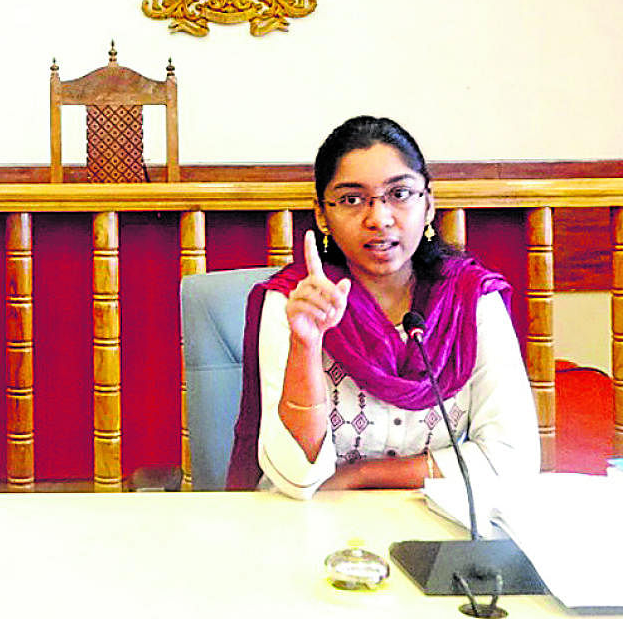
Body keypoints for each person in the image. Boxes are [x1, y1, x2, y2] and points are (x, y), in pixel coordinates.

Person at [227, 115, 539, 497]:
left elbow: (512, 457)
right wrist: (305, 347)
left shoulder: (470, 300)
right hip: (313, 523)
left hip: (441, 520)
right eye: (351, 199)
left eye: (400, 194)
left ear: (428, 204)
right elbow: (296, 479)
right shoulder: (296, 303)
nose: (379, 218)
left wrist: (361, 476)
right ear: (323, 216)